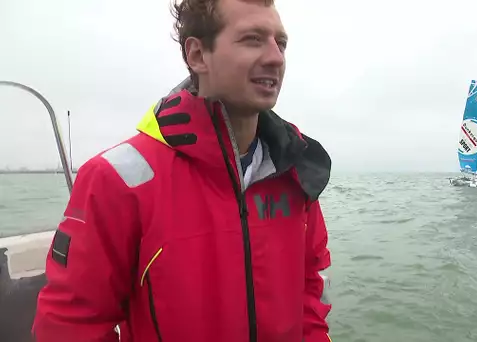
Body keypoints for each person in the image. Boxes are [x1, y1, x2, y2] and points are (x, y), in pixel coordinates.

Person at [32, 0, 333, 341]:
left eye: (281, 43)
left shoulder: (295, 169)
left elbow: (311, 288)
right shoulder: (117, 179)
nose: (276, 57)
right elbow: (70, 325)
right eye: (252, 39)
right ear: (198, 55)